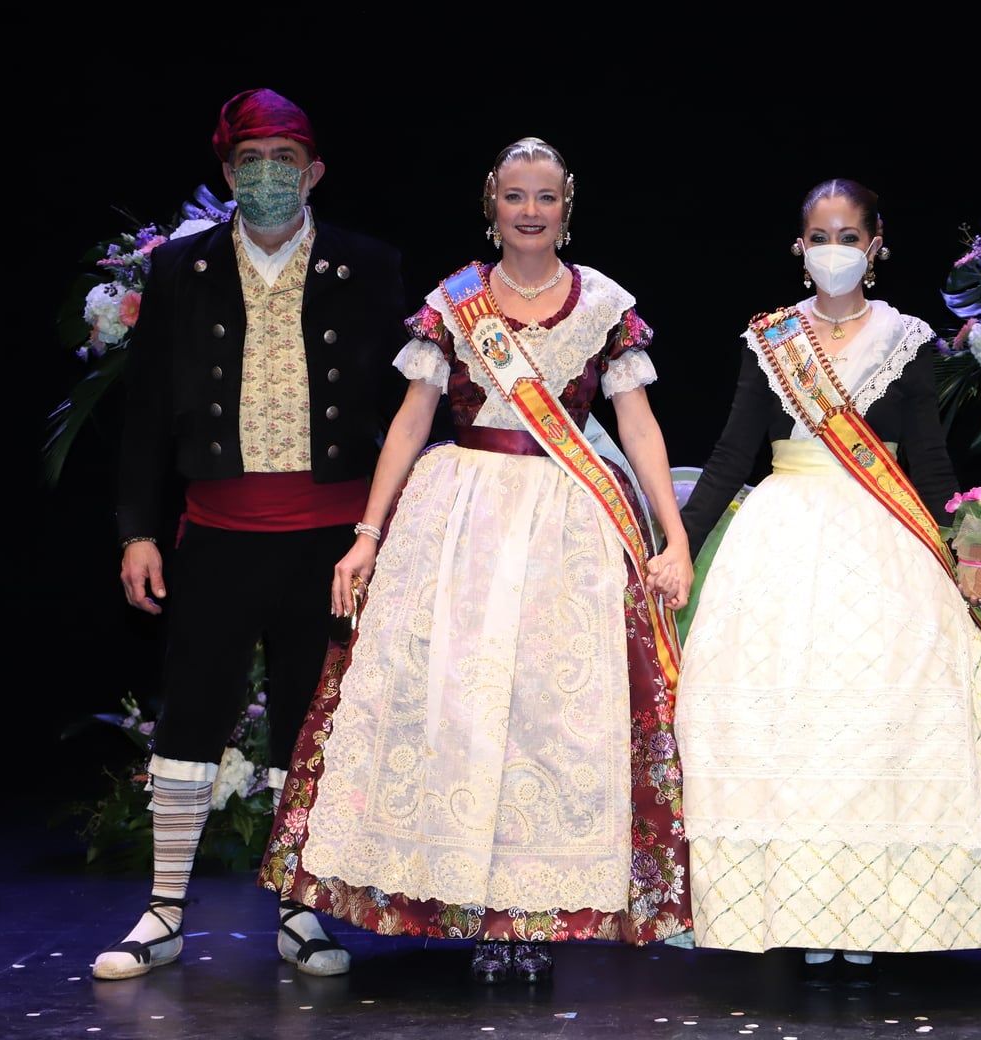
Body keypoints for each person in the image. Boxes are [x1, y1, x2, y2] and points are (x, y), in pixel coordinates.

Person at [260, 138, 694, 983]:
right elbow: (411, 422)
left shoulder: (604, 302)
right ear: (490, 204)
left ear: (568, 206)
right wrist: (368, 533)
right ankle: (461, 902)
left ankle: (535, 914)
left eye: (546, 198)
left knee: (545, 717)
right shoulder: (454, 303)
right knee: (456, 709)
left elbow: (637, 424)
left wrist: (669, 535)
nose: (530, 213)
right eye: (515, 197)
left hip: (566, 524)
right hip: (457, 522)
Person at [673, 179, 981, 978]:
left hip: (886, 540)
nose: (835, 249)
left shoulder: (910, 340)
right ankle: (797, 909)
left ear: (876, 243)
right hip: (782, 539)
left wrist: (973, 545)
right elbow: (728, 458)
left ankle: (881, 915)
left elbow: (928, 462)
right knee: (783, 728)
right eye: (820, 235)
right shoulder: (771, 340)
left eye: (849, 235)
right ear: (799, 247)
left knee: (884, 725)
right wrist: (676, 548)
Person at [94, 88, 407, 981]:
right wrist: (137, 532)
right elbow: (146, 415)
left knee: (311, 730)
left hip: (333, 544)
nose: (268, 177)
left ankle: (302, 913)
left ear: (313, 171)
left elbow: (408, 407)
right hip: (221, 533)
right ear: (226, 173)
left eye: (284, 161)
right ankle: (161, 913)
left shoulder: (369, 265)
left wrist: (395, 532)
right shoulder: (181, 270)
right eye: (249, 162)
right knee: (191, 711)